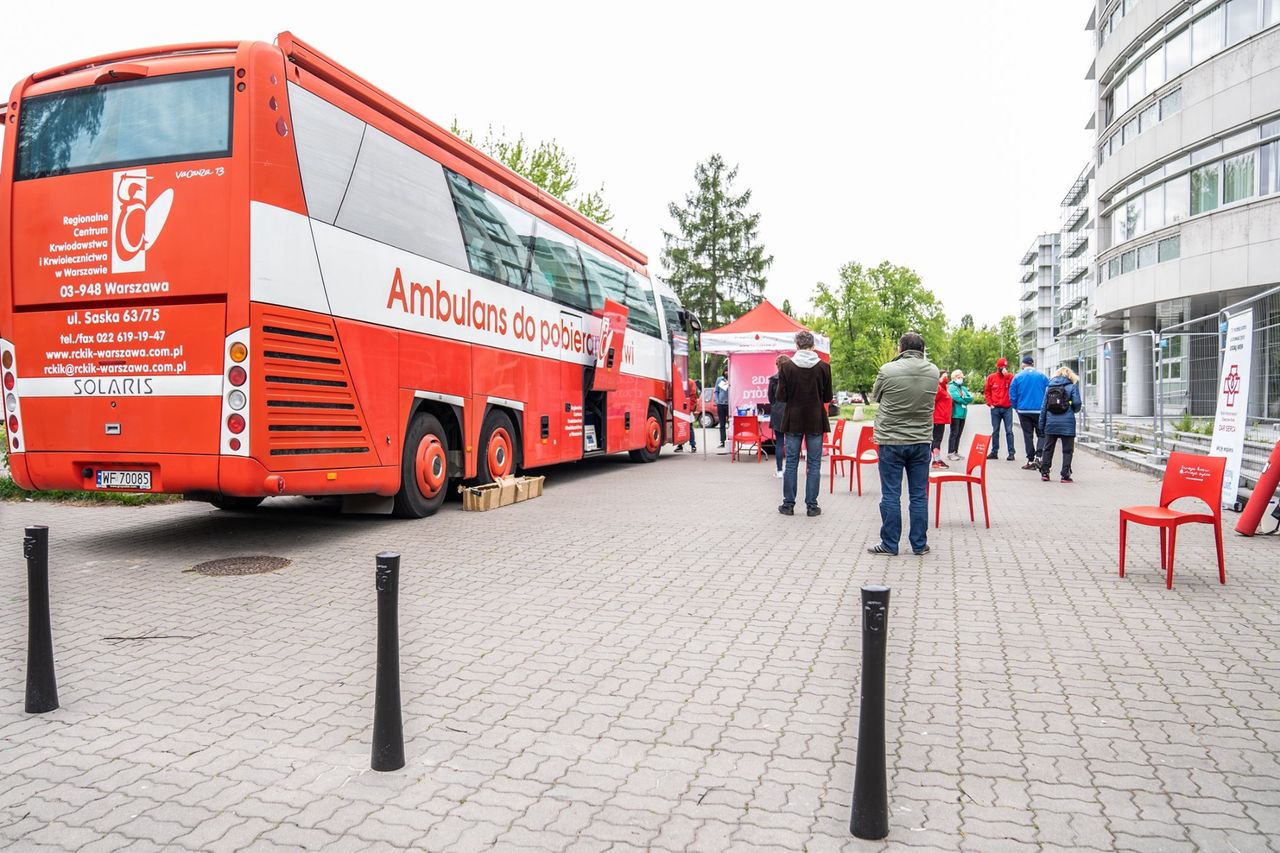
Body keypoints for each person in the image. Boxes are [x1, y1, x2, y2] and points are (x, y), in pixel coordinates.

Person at [868, 332, 938, 556]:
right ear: (922, 349)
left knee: (890, 494)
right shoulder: (934, 371)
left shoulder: (887, 370)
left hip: (891, 439)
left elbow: (874, 396)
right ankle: (919, 544)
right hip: (921, 440)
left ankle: (889, 544)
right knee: (919, 494)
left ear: (900, 348)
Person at [776, 331, 832, 517]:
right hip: (815, 418)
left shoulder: (787, 367)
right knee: (814, 463)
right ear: (813, 346)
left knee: (791, 462)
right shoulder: (824, 367)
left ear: (797, 346)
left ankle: (788, 505)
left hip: (793, 420)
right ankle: (812, 506)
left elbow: (780, 397)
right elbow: (827, 397)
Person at [1039, 366, 1082, 483]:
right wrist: (1072, 408)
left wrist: (1041, 425)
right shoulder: (1072, 387)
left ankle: (1045, 473)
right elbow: (1077, 403)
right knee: (1067, 450)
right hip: (1067, 423)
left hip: (1051, 422)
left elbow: (1043, 408)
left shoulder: (1049, 388)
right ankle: (1065, 475)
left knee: (1047, 449)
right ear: (1070, 376)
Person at [1009, 355, 1049, 469]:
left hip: (1023, 410)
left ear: (1023, 364)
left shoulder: (1018, 377)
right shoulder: (1042, 376)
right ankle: (1039, 456)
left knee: (1028, 435)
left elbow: (1012, 394)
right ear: (1033, 364)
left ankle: (1030, 459)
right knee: (1042, 434)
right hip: (1039, 410)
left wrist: (1015, 406)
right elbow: (1049, 390)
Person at [984, 357, 1015, 461]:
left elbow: (1014, 387)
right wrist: (990, 403)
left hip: (1007, 408)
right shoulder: (991, 377)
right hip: (995, 408)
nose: (1003, 369)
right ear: (998, 367)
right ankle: (994, 452)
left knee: (1009, 431)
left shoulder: (1010, 377)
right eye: (1001, 367)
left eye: (1005, 367)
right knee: (995, 430)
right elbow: (987, 391)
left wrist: (1007, 376)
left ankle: (1011, 452)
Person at [766, 355, 790, 479]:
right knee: (792, 442)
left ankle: (779, 470)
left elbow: (770, 399)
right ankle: (791, 470)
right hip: (791, 413)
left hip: (777, 414)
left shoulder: (773, 380)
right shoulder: (793, 380)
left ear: (777, 365)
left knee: (779, 443)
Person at [946, 370, 973, 460]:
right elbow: (956, 397)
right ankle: (950, 452)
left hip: (963, 414)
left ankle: (956, 452)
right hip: (955, 413)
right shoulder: (952, 387)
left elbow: (970, 397)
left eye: (961, 377)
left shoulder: (963, 388)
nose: (960, 379)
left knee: (959, 433)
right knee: (954, 433)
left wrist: (964, 398)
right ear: (954, 378)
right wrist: (964, 399)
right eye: (959, 377)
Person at [930, 371, 951, 469]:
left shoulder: (943, 388)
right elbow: (933, 400)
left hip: (941, 418)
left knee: (937, 438)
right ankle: (936, 460)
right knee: (937, 438)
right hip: (938, 418)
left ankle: (936, 459)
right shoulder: (938, 388)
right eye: (944, 376)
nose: (946, 378)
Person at [674, 378, 698, 452]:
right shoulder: (679, 381)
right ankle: (681, 445)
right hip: (680, 407)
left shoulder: (689, 382)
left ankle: (692, 445)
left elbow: (693, 396)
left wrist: (690, 408)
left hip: (686, 407)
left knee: (688, 427)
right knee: (681, 426)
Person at [714, 368, 730, 448]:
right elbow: (716, 391)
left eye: (728, 371)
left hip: (730, 405)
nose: (726, 372)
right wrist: (717, 401)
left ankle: (730, 440)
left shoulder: (733, 378)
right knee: (722, 424)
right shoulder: (719, 379)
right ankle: (722, 441)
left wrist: (730, 383)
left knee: (731, 423)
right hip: (721, 404)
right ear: (723, 372)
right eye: (725, 371)